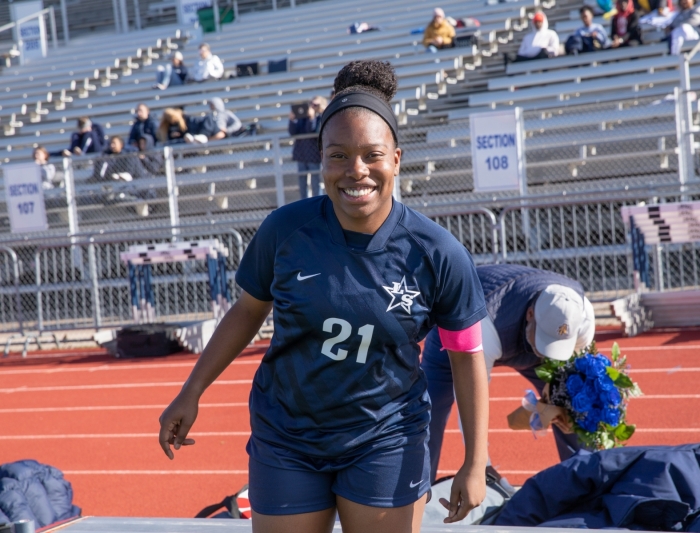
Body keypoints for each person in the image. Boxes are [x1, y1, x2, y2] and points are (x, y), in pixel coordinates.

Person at [158, 60, 490, 533]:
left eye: (372, 155)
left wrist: (475, 461)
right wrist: (191, 392)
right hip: (286, 438)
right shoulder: (285, 230)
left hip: (386, 437)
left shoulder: (438, 252)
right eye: (338, 156)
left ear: (396, 158)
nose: (356, 171)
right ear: (320, 160)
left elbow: (465, 354)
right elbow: (249, 310)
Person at [422, 264, 596, 484]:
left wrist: (555, 402)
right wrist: (480, 466)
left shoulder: (583, 317)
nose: (546, 352)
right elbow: (471, 398)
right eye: (544, 339)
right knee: (427, 412)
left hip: (512, 331)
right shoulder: (480, 325)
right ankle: (415, 492)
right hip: (460, 331)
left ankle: (583, 481)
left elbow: (577, 379)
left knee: (574, 407)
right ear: (531, 314)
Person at [288, 95, 327, 199]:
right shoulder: (302, 117)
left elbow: (314, 131)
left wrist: (312, 118)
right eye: (311, 104)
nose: (312, 106)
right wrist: (292, 120)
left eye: (315, 104)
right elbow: (293, 132)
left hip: (314, 155)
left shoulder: (322, 116)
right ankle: (304, 203)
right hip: (301, 154)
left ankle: (317, 202)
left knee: (315, 181)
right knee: (302, 182)